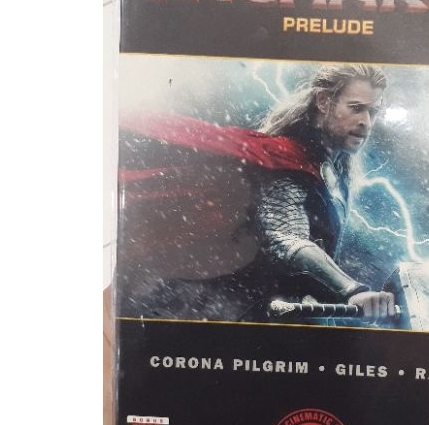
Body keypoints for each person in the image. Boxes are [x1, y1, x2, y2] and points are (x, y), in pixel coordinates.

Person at [117, 63, 396, 324]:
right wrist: (352, 290)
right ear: (324, 102)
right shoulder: (287, 160)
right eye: (356, 108)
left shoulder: (332, 174)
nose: (366, 122)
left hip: (271, 316)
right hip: (227, 313)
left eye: (373, 112)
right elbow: (285, 238)